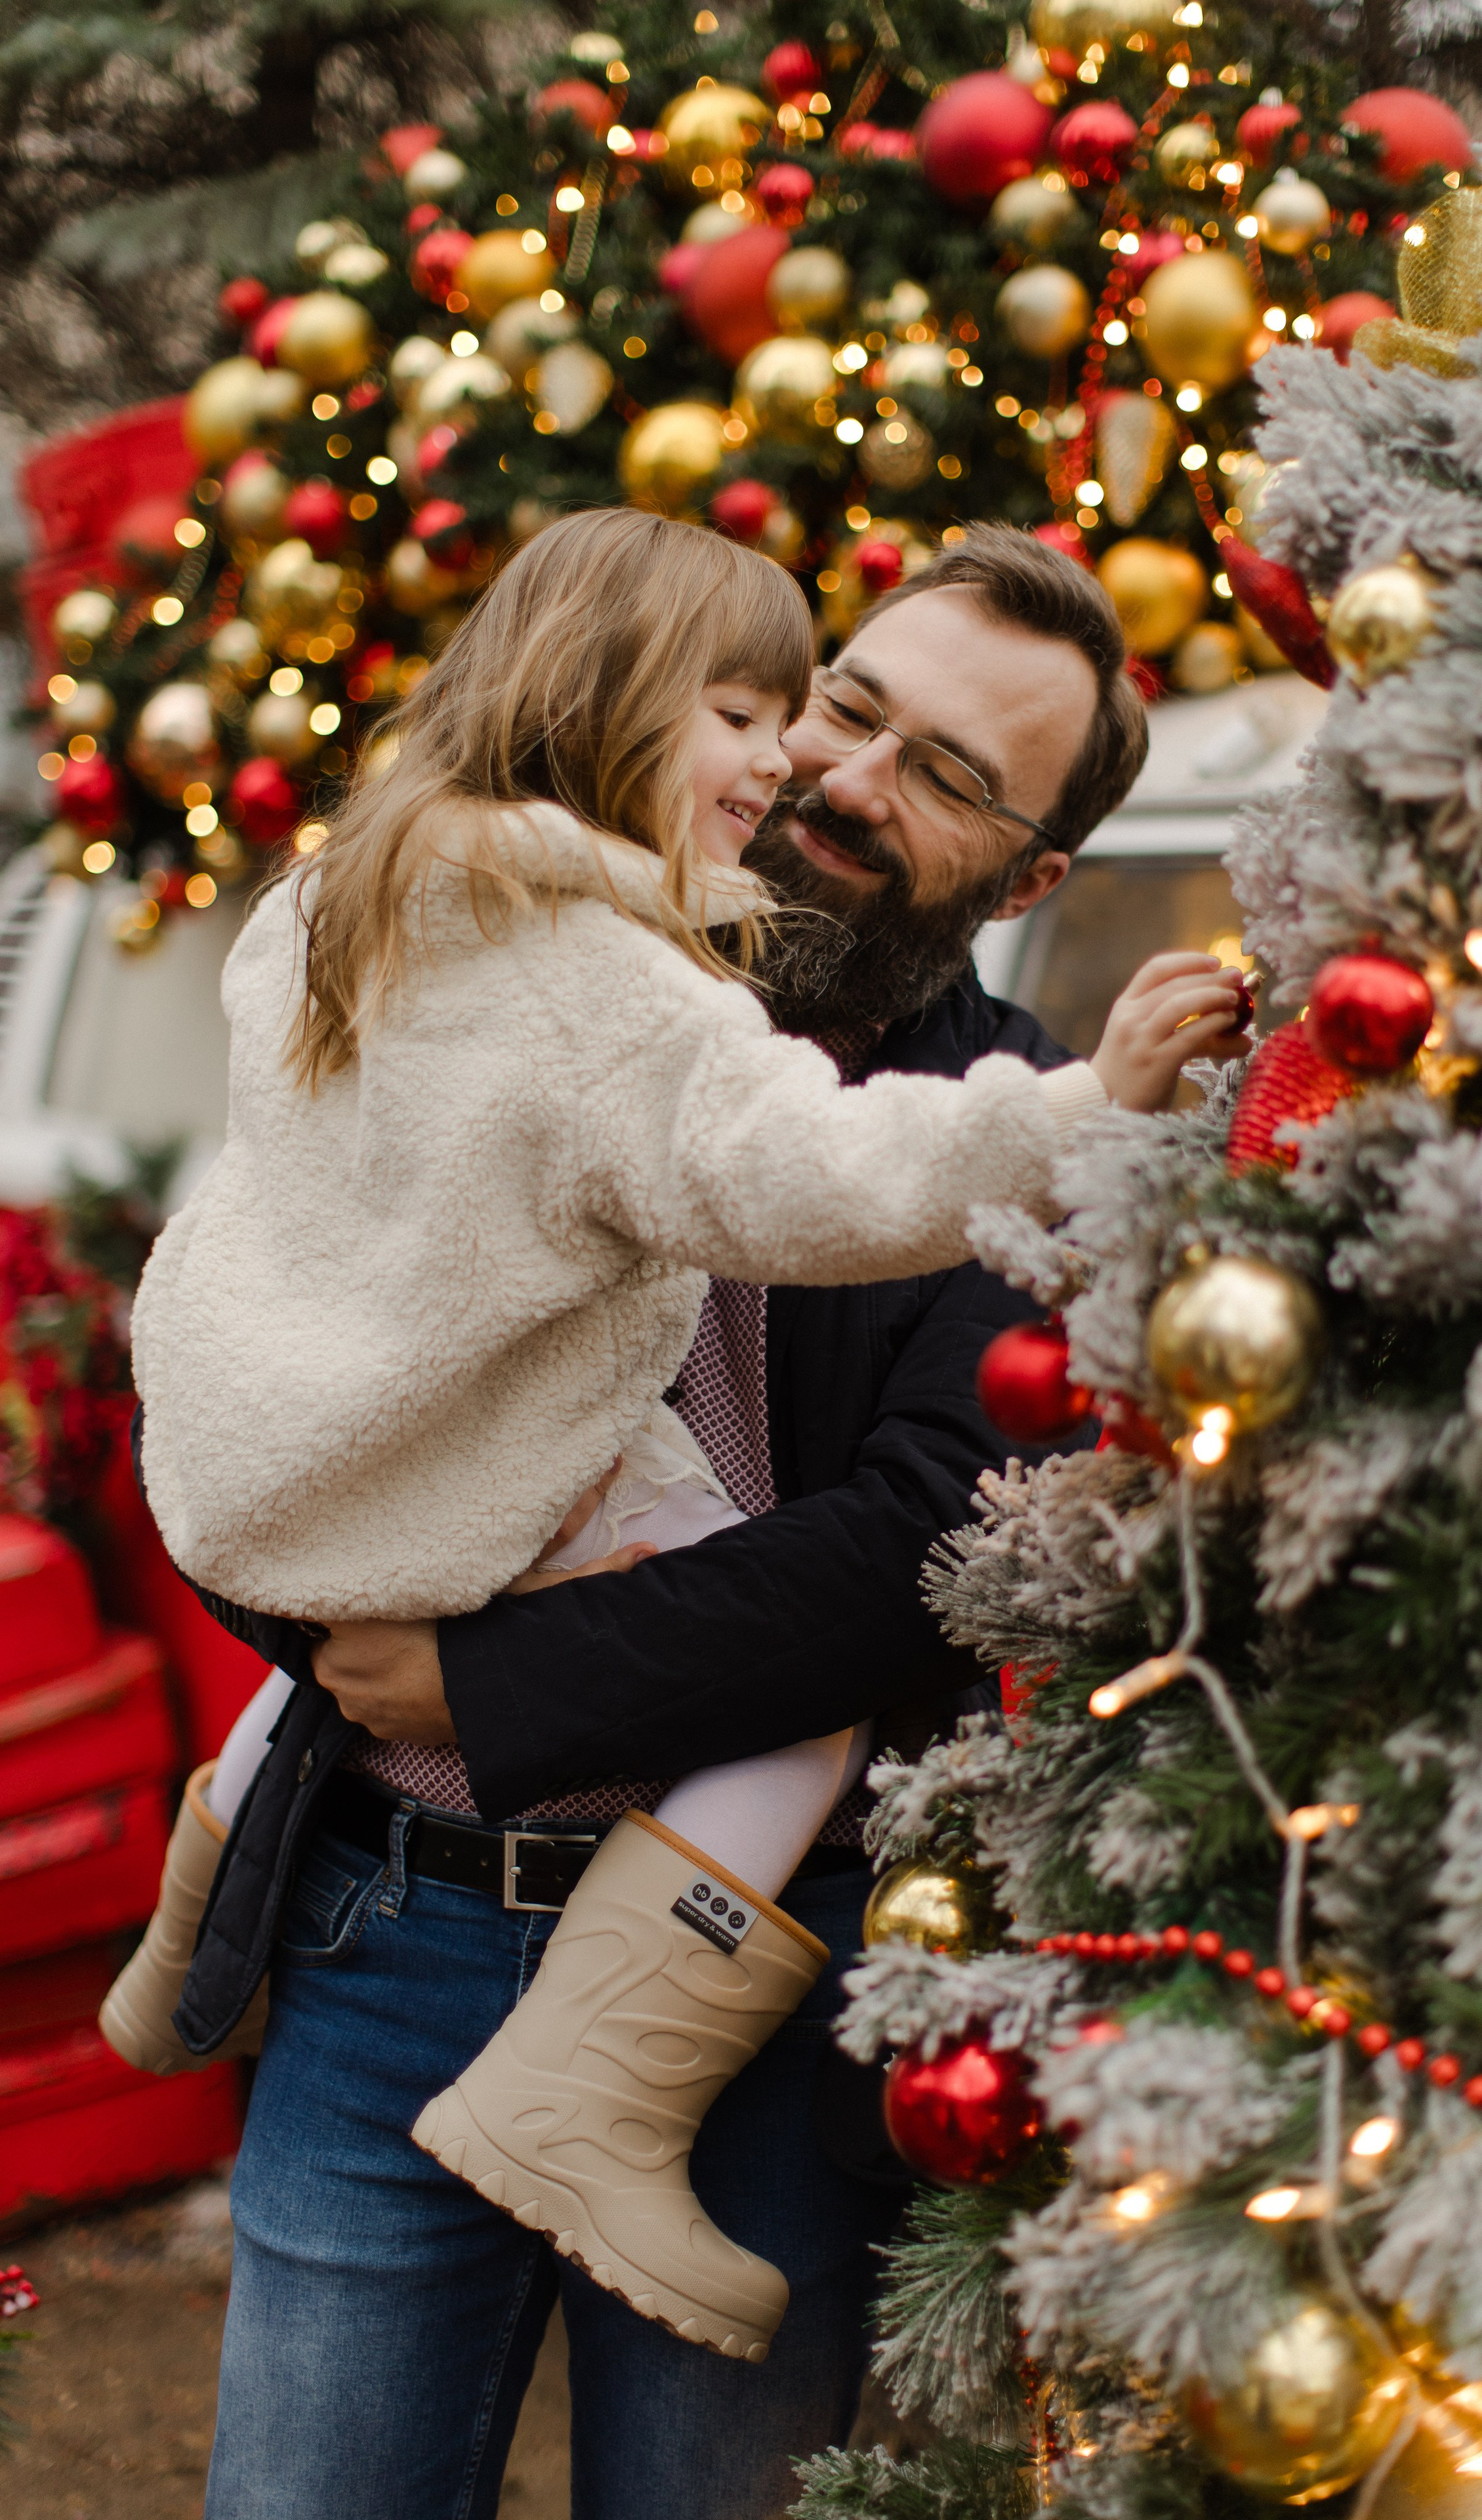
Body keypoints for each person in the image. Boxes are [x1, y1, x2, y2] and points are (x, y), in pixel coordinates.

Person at [136, 522, 1243, 2519]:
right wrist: (312, 1617)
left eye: (947, 776)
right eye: (843, 707)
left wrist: (479, 1675)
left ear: (1033, 872)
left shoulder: (985, 1122)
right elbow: (303, 1319)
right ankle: (209, 1881)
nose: (842, 779)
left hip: (758, 1991)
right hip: (395, 1913)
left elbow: (924, 1545)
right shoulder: (494, 958)